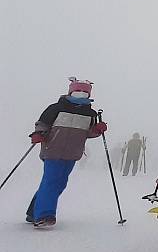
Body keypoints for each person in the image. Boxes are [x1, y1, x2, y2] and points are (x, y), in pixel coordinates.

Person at [25, 78, 108, 228]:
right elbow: (43, 123)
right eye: (77, 91)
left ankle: (33, 212)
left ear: (89, 95)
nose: (80, 94)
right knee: (51, 181)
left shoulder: (90, 114)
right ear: (70, 92)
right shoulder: (56, 108)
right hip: (53, 150)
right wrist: (39, 133)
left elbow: (88, 133)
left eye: (84, 92)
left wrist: (97, 130)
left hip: (72, 153)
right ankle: (44, 215)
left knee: (59, 183)